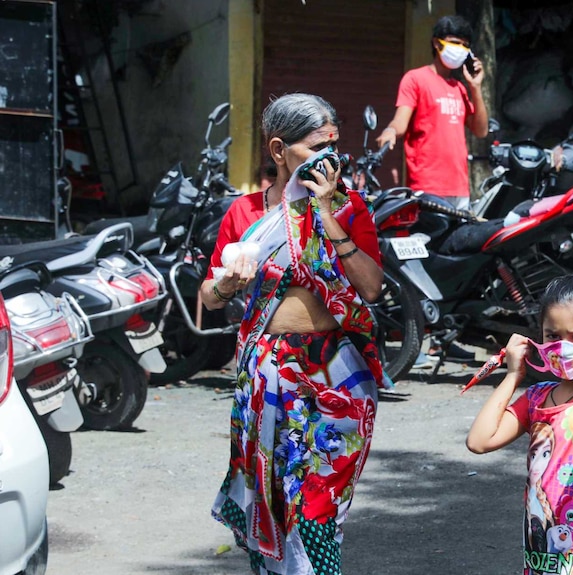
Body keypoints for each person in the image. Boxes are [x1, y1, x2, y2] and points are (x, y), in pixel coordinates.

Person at [205, 93, 387, 575]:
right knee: (268, 493)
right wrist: (226, 283)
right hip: (267, 373)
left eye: (335, 147)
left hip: (336, 373)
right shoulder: (245, 214)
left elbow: (370, 287)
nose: (330, 159)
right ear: (279, 149)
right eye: (316, 148)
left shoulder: (349, 210)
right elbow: (209, 296)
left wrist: (328, 214)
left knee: (318, 505)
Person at [466, 270, 573, 575]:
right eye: (553, 336)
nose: (565, 347)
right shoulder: (536, 398)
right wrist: (512, 376)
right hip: (541, 557)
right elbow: (479, 441)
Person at [375, 14, 489, 211]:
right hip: (427, 187)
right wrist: (390, 131)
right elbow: (399, 123)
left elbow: (481, 131)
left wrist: (476, 87)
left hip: (460, 188)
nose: (460, 49)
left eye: (465, 45)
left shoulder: (459, 88)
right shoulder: (415, 79)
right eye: (455, 42)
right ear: (437, 43)